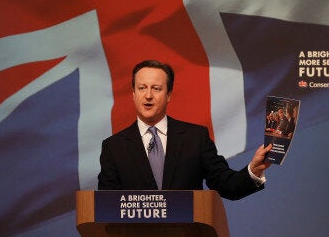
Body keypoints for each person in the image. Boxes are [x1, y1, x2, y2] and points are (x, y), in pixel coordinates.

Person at [97, 60, 272, 200]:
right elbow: (106, 206)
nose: (148, 95)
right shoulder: (114, 147)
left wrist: (254, 170)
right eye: (142, 88)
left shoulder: (195, 138)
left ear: (169, 95)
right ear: (133, 94)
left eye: (156, 88)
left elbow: (227, 185)